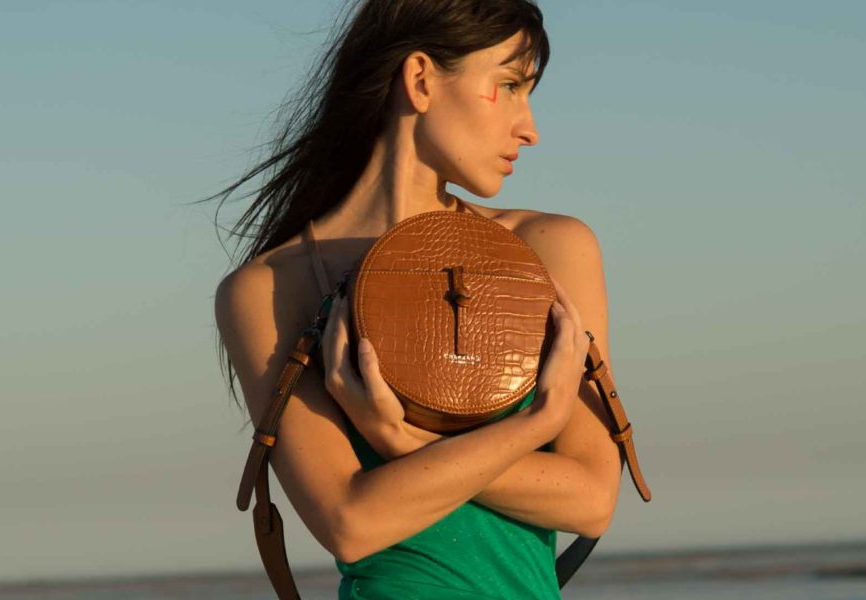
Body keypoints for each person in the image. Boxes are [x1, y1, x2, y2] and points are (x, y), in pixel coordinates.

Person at [209, 1, 624, 598]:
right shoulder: (272, 288)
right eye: (509, 86)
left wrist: (403, 441)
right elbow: (350, 524)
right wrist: (539, 422)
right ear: (422, 79)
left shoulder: (545, 250)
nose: (529, 127)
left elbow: (590, 499)